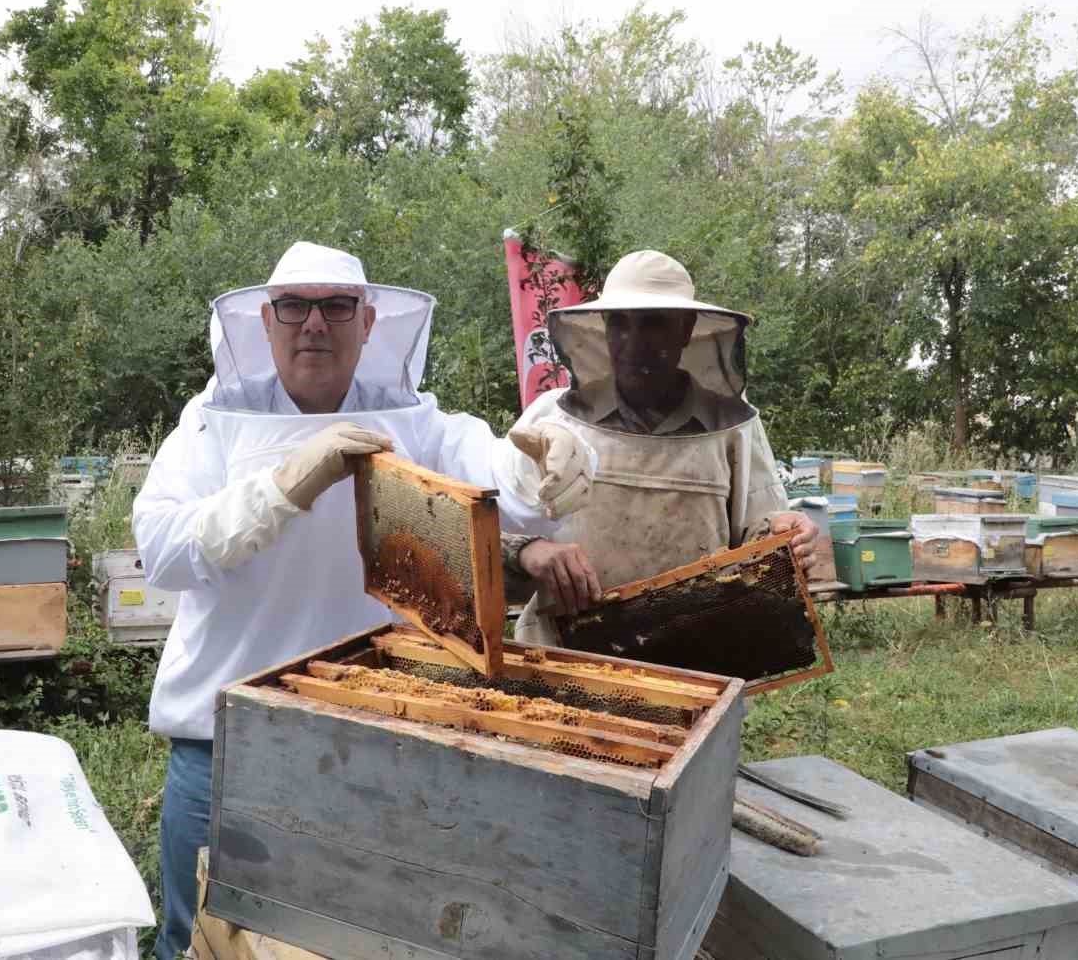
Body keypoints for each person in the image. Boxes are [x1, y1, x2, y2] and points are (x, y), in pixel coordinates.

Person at [132, 241, 591, 959]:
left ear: (368, 322)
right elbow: (162, 550)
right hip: (224, 739)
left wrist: (553, 458)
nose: (314, 323)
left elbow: (504, 474)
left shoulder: (413, 421)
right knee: (202, 938)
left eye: (337, 306)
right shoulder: (210, 424)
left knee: (356, 936)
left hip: (371, 732)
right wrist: (285, 486)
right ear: (266, 321)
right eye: (295, 307)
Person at [505, 250, 817, 645]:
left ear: (685, 329)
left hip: (695, 656)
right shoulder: (552, 420)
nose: (633, 342)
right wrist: (531, 549)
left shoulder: (732, 427)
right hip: (563, 654)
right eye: (619, 324)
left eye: (653, 324)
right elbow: (493, 535)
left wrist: (785, 533)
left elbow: (761, 537)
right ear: (602, 326)